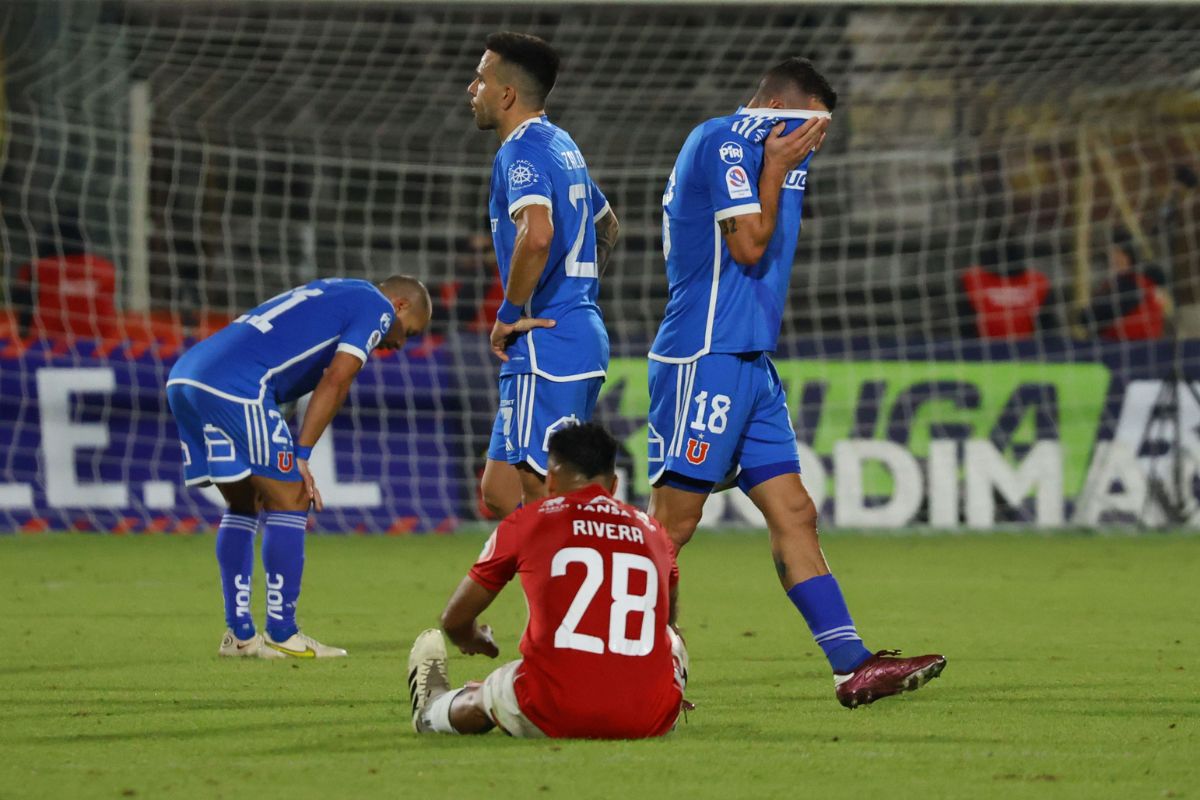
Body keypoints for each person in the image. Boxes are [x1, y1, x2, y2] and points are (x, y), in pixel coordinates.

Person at [647, 57, 945, 708]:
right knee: (672, 525)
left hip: (751, 362)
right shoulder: (725, 140)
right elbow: (749, 246)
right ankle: (636, 666)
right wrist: (777, 166)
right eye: (816, 124)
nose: (821, 139)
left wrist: (784, 164)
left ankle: (851, 665)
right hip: (706, 355)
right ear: (784, 109)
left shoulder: (777, 153)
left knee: (795, 512)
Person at [166, 276, 432, 659]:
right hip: (236, 385)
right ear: (400, 307)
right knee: (292, 499)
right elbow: (338, 379)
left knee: (244, 503)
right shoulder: (377, 306)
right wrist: (301, 455)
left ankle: (240, 634)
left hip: (187, 375)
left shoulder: (339, 289)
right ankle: (283, 633)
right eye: (408, 332)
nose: (399, 343)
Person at [408, 423, 687, 739]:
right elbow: (666, 619)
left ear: (550, 478)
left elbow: (454, 619)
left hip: (555, 710)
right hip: (650, 720)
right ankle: (658, 698)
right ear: (613, 484)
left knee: (490, 693)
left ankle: (431, 712)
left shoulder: (528, 522)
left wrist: (472, 639)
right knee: (672, 639)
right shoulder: (653, 531)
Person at [468, 31, 622, 519]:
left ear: (507, 94)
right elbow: (608, 226)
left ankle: (590, 578)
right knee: (500, 491)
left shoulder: (521, 151)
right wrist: (577, 294)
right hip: (575, 337)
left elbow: (536, 234)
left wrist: (510, 314)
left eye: (480, 79)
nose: (472, 90)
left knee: (544, 500)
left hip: (546, 346)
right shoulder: (561, 144)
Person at [1079, 229, 1168, 341]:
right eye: (1111, 253)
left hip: (1132, 345)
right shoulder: (1117, 282)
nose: (1113, 258)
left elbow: (1098, 315)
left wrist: (1087, 314)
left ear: (1128, 255)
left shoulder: (1137, 283)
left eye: (1117, 252)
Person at [959, 240, 1053, 340]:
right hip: (983, 349)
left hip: (1026, 347)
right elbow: (964, 319)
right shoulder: (972, 280)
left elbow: (1047, 321)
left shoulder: (1036, 281)